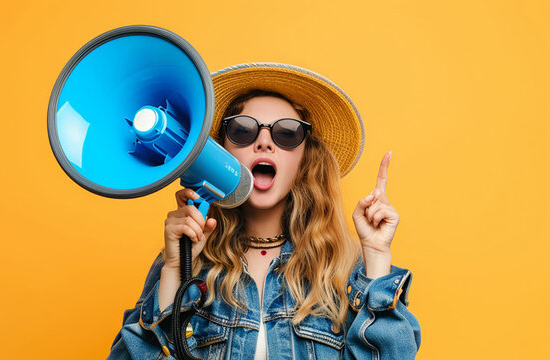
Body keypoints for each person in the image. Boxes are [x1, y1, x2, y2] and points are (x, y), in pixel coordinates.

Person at [107, 63, 421, 360]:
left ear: (305, 159)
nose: (264, 142)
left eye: (287, 133)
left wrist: (377, 258)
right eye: (243, 130)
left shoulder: (346, 269)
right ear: (222, 152)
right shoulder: (183, 260)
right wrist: (176, 270)